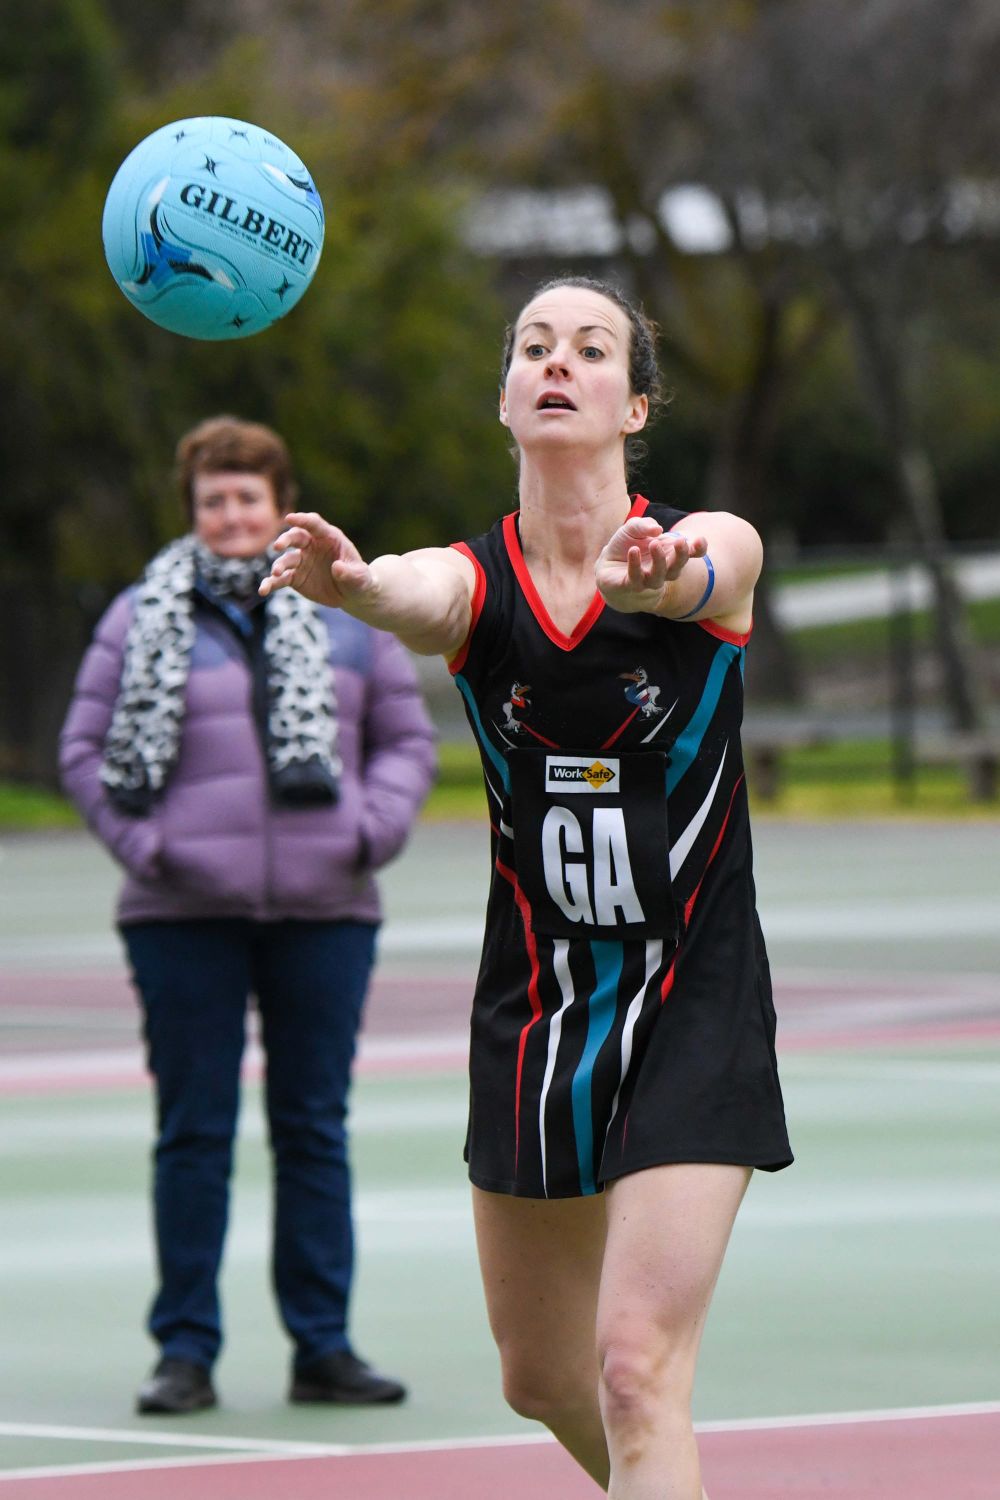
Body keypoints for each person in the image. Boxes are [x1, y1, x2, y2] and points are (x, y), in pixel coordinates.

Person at [259, 277, 792, 1500]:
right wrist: (351, 585)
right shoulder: (474, 579)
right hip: (538, 1009)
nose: (559, 363)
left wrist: (656, 580)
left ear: (633, 403)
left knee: (632, 1368)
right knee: (541, 1375)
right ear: (506, 400)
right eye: (535, 348)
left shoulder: (708, 541)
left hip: (690, 998)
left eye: (591, 350)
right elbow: (417, 591)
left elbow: (707, 573)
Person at [59, 416, 436, 1416]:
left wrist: (369, 828)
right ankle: (184, 1349)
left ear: (281, 506)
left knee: (313, 1130)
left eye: (247, 497)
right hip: (179, 919)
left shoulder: (349, 612)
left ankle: (323, 1346)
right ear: (194, 511)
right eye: (213, 500)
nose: (230, 515)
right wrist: (150, 850)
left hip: (327, 912)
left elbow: (406, 741)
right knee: (194, 1133)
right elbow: (83, 750)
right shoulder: (138, 614)